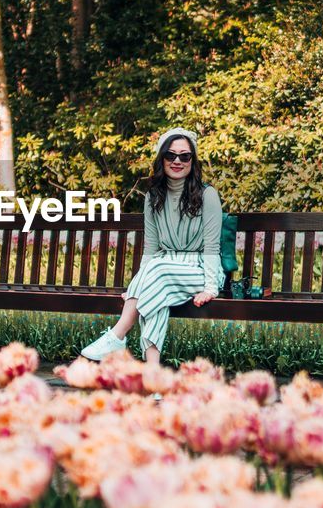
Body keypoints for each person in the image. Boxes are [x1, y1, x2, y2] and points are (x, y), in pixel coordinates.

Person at [80, 127, 223, 366]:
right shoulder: (152, 197)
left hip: (199, 270)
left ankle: (117, 335)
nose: (177, 161)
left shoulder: (208, 195)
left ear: (192, 161)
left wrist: (211, 288)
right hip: (162, 272)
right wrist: (139, 286)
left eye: (185, 156)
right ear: (161, 159)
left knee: (157, 274)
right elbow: (151, 248)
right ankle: (153, 373)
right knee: (156, 288)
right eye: (171, 155)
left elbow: (211, 246)